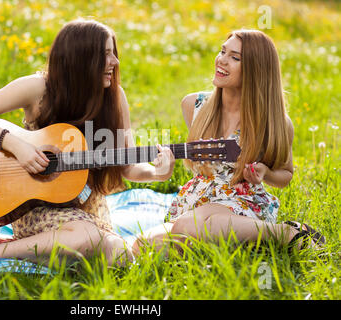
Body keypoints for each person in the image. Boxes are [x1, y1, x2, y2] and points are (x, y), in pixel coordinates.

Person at [0, 19, 175, 267]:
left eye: (114, 53)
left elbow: (127, 166)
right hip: (33, 207)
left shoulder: (115, 97)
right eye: (105, 55)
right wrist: (17, 146)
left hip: (85, 208)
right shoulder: (38, 88)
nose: (115, 62)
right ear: (81, 59)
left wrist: (157, 172)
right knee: (89, 239)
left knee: (121, 259)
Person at [132, 29, 325, 255]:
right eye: (223, 51)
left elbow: (285, 175)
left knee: (186, 228)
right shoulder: (194, 105)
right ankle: (230, 246)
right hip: (199, 199)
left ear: (256, 70)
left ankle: (284, 233)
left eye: (235, 57)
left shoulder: (275, 122)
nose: (222, 60)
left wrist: (265, 172)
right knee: (142, 245)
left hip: (242, 201)